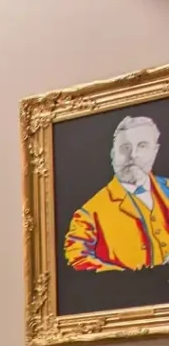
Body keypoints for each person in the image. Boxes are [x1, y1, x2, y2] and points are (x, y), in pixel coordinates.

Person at [64, 116, 169, 272]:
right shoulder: (88, 214)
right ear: (113, 154)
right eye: (125, 147)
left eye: (142, 146)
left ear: (155, 151)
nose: (133, 155)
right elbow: (77, 261)